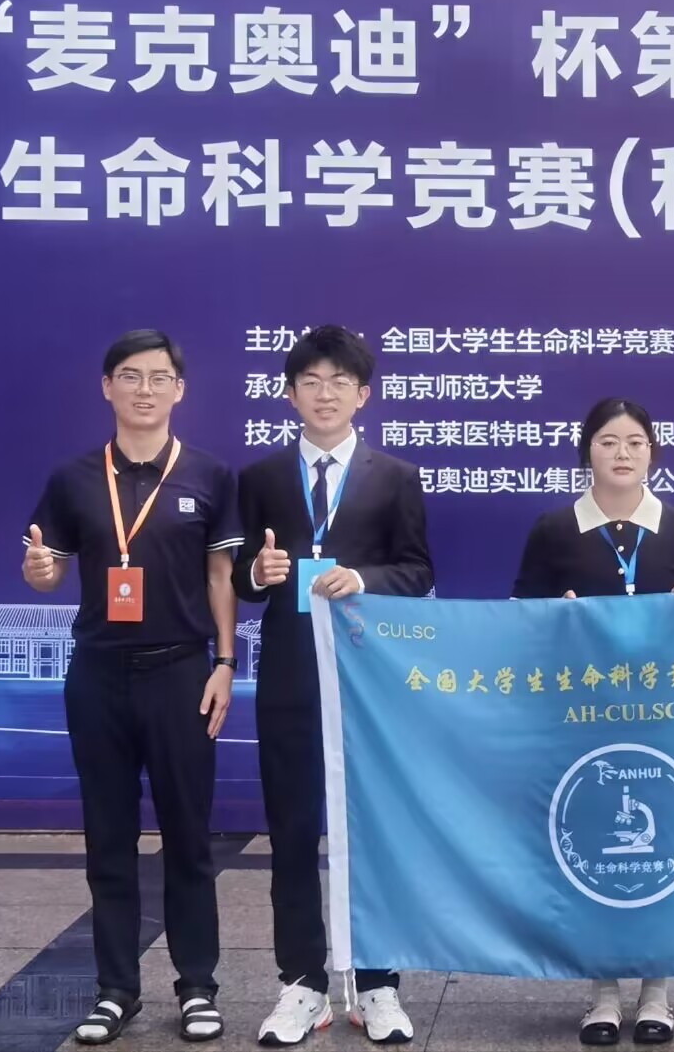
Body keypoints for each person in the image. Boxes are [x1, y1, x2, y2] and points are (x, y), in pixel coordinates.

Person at [22, 330, 243, 1046]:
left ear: (180, 389)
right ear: (106, 386)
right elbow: (48, 569)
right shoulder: (74, 479)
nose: (144, 389)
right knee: (109, 838)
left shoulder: (209, 475)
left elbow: (220, 577)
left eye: (158, 377)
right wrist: (39, 572)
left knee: (189, 838)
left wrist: (225, 662)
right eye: (130, 376)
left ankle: (198, 985)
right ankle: (116, 989)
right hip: (98, 674)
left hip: (182, 673)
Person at [232, 325, 433, 1048]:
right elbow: (240, 578)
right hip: (289, 677)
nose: (325, 394)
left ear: (363, 394)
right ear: (290, 395)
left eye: (339, 382)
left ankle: (378, 984)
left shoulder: (394, 476)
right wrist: (258, 574)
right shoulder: (260, 478)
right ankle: (302, 983)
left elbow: (418, 571)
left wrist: (364, 578)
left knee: (373, 832)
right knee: (290, 830)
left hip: (368, 680)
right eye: (311, 383)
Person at [511, 397, 674, 1046]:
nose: (622, 453)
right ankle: (601, 990)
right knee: (593, 841)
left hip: (663, 718)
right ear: (586, 452)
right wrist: (557, 619)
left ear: (653, 452)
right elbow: (521, 621)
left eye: (634, 442)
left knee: (662, 845)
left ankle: (657, 989)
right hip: (583, 718)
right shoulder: (553, 530)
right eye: (607, 441)